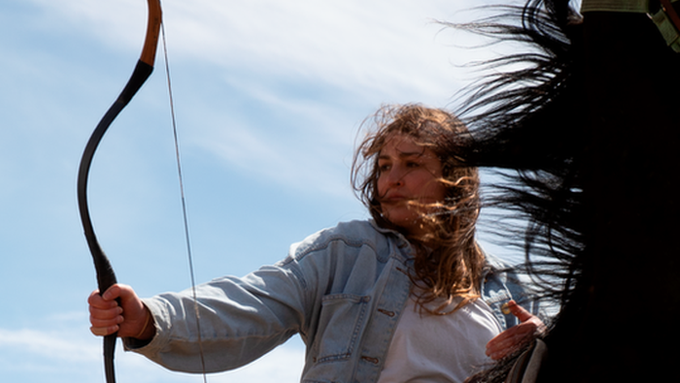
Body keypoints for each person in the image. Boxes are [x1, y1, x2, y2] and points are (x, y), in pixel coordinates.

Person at [88, 104, 543, 382]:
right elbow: (256, 301)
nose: (392, 179)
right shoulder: (350, 252)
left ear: (454, 181)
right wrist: (149, 317)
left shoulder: (505, 289)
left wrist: (540, 345)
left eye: (411, 164)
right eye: (383, 165)